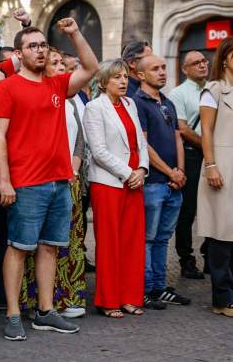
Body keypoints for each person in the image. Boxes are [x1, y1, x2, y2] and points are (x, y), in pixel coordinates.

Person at [0, 18, 98, 340]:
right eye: (32, 46)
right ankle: (12, 314)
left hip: (59, 180)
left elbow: (91, 68)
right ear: (19, 54)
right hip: (27, 183)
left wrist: (75, 33)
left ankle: (45, 312)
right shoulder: (6, 88)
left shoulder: (56, 84)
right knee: (19, 248)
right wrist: (5, 181)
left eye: (43, 45)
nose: (39, 51)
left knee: (50, 247)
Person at [19, 47, 87, 319]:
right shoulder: (37, 96)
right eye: (55, 63)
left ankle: (70, 296)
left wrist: (74, 167)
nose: (61, 67)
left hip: (70, 177)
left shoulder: (69, 100)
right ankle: (40, 300)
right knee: (38, 243)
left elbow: (80, 139)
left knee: (69, 241)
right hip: (40, 178)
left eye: (63, 63)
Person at [82, 59, 148, 318]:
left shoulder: (130, 103)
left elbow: (140, 141)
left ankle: (130, 297)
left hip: (135, 181)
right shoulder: (94, 108)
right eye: (116, 77)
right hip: (108, 182)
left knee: (132, 241)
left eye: (124, 77)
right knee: (109, 242)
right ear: (103, 81)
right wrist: (128, 172)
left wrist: (142, 169)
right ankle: (109, 300)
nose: (123, 81)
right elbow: (97, 151)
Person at [133, 54, 191, 309]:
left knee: (163, 238)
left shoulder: (167, 101)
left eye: (164, 67)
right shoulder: (138, 103)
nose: (162, 72)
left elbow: (178, 138)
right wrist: (170, 172)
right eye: (155, 69)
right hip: (154, 182)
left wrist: (180, 171)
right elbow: (142, 144)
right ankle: (146, 289)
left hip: (172, 183)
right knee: (148, 238)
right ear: (141, 75)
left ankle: (159, 286)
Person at [197, 36, 233, 317]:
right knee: (222, 234)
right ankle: (222, 298)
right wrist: (211, 165)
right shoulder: (214, 90)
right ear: (224, 58)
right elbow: (206, 130)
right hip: (221, 165)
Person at [169, 51, 209, 279]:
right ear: (185, 69)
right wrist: (209, 146)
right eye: (196, 63)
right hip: (193, 155)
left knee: (214, 206)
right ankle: (186, 259)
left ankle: (211, 256)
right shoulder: (178, 93)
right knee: (188, 209)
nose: (202, 65)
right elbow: (183, 129)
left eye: (204, 61)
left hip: (214, 156)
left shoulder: (213, 88)